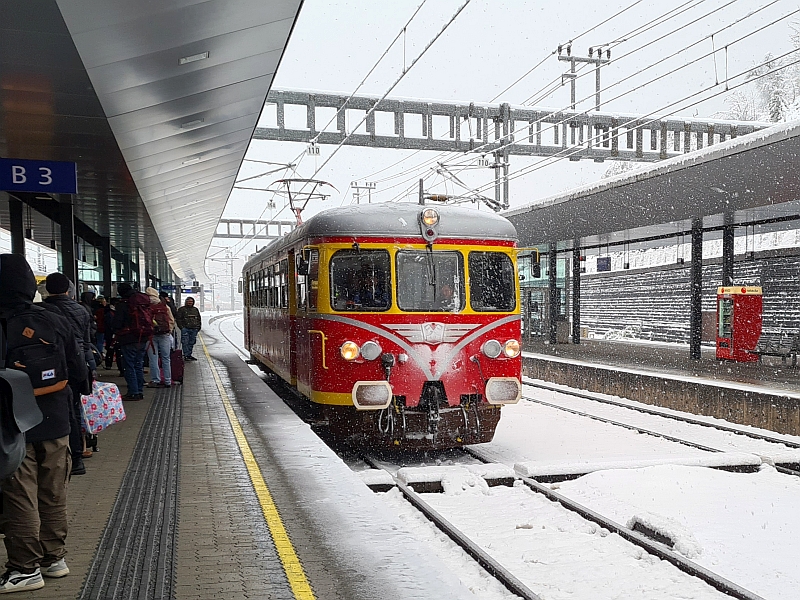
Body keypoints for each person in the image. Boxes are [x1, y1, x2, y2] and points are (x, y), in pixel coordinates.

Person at [0, 254, 88, 592]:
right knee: (54, 493)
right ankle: (54, 559)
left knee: (20, 495)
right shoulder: (53, 320)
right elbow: (78, 371)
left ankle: (24, 568)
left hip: (12, 426)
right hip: (56, 420)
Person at [42, 273, 97, 476]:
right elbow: (86, 341)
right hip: (78, 365)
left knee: (57, 411)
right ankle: (77, 458)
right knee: (74, 411)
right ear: (68, 289)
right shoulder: (81, 310)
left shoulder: (43, 311)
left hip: (55, 366)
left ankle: (57, 459)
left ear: (48, 289)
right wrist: (90, 368)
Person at [111, 284, 152, 400]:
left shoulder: (123, 304)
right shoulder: (141, 303)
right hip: (142, 337)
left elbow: (117, 323)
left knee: (129, 366)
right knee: (138, 364)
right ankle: (139, 390)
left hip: (128, 339)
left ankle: (133, 392)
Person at [144, 287, 174, 388]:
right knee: (166, 358)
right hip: (164, 335)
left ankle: (155, 380)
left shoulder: (145, 306)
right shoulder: (164, 305)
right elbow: (171, 320)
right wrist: (168, 331)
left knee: (153, 359)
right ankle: (168, 380)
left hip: (150, 336)